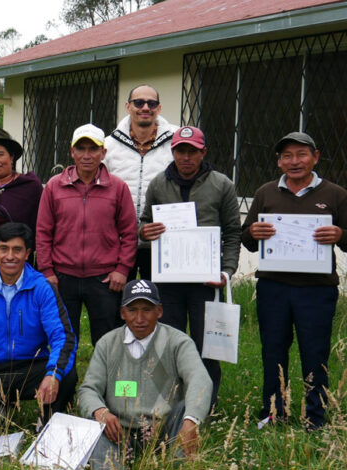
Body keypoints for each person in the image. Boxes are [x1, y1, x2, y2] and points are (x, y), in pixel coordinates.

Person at [241, 132, 347, 431]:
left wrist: (340, 234)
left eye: (301, 154)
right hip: (273, 288)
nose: (294, 161)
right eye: (287, 156)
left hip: (317, 290)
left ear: (316, 156)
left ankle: (315, 417)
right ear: (278, 162)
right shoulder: (266, 192)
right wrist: (254, 233)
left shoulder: (335, 194)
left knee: (315, 354)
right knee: (273, 350)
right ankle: (273, 413)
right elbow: (246, 238)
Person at [77, 280, 212, 470]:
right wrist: (101, 411)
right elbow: (88, 389)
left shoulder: (178, 342)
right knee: (96, 424)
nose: (139, 318)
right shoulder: (108, 343)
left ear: (159, 311)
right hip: (120, 433)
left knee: (186, 409)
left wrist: (191, 420)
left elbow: (200, 379)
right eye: (132, 310)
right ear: (122, 313)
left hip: (164, 430)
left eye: (147, 310)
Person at [139, 126, 240, 402]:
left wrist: (227, 271)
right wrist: (144, 232)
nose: (186, 157)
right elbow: (145, 222)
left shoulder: (222, 184)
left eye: (192, 151)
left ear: (203, 152)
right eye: (180, 151)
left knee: (206, 344)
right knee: (168, 341)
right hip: (168, 280)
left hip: (205, 281)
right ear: (173, 152)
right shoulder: (159, 183)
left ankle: (205, 403)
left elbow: (233, 231)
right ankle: (170, 401)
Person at [0, 222, 78, 421]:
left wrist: (53, 374)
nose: (10, 256)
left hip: (31, 366)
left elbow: (63, 336)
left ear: (27, 253)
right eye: (4, 249)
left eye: (17, 250)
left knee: (67, 376)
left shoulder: (42, 287)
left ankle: (48, 423)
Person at [36, 124, 137, 347]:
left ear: (103, 153)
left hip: (104, 279)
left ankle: (109, 382)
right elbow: (43, 232)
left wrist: (122, 269)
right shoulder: (54, 186)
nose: (87, 155)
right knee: (63, 340)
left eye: (93, 149)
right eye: (81, 149)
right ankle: (64, 382)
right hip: (63, 277)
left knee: (108, 342)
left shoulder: (118, 188)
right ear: (72, 152)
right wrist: (47, 271)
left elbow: (130, 232)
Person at [103, 85, 178, 279]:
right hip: (118, 241)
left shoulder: (177, 142)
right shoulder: (108, 145)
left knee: (156, 303)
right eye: (139, 103)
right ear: (128, 106)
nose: (145, 107)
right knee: (119, 302)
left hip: (161, 239)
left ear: (159, 108)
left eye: (151, 103)